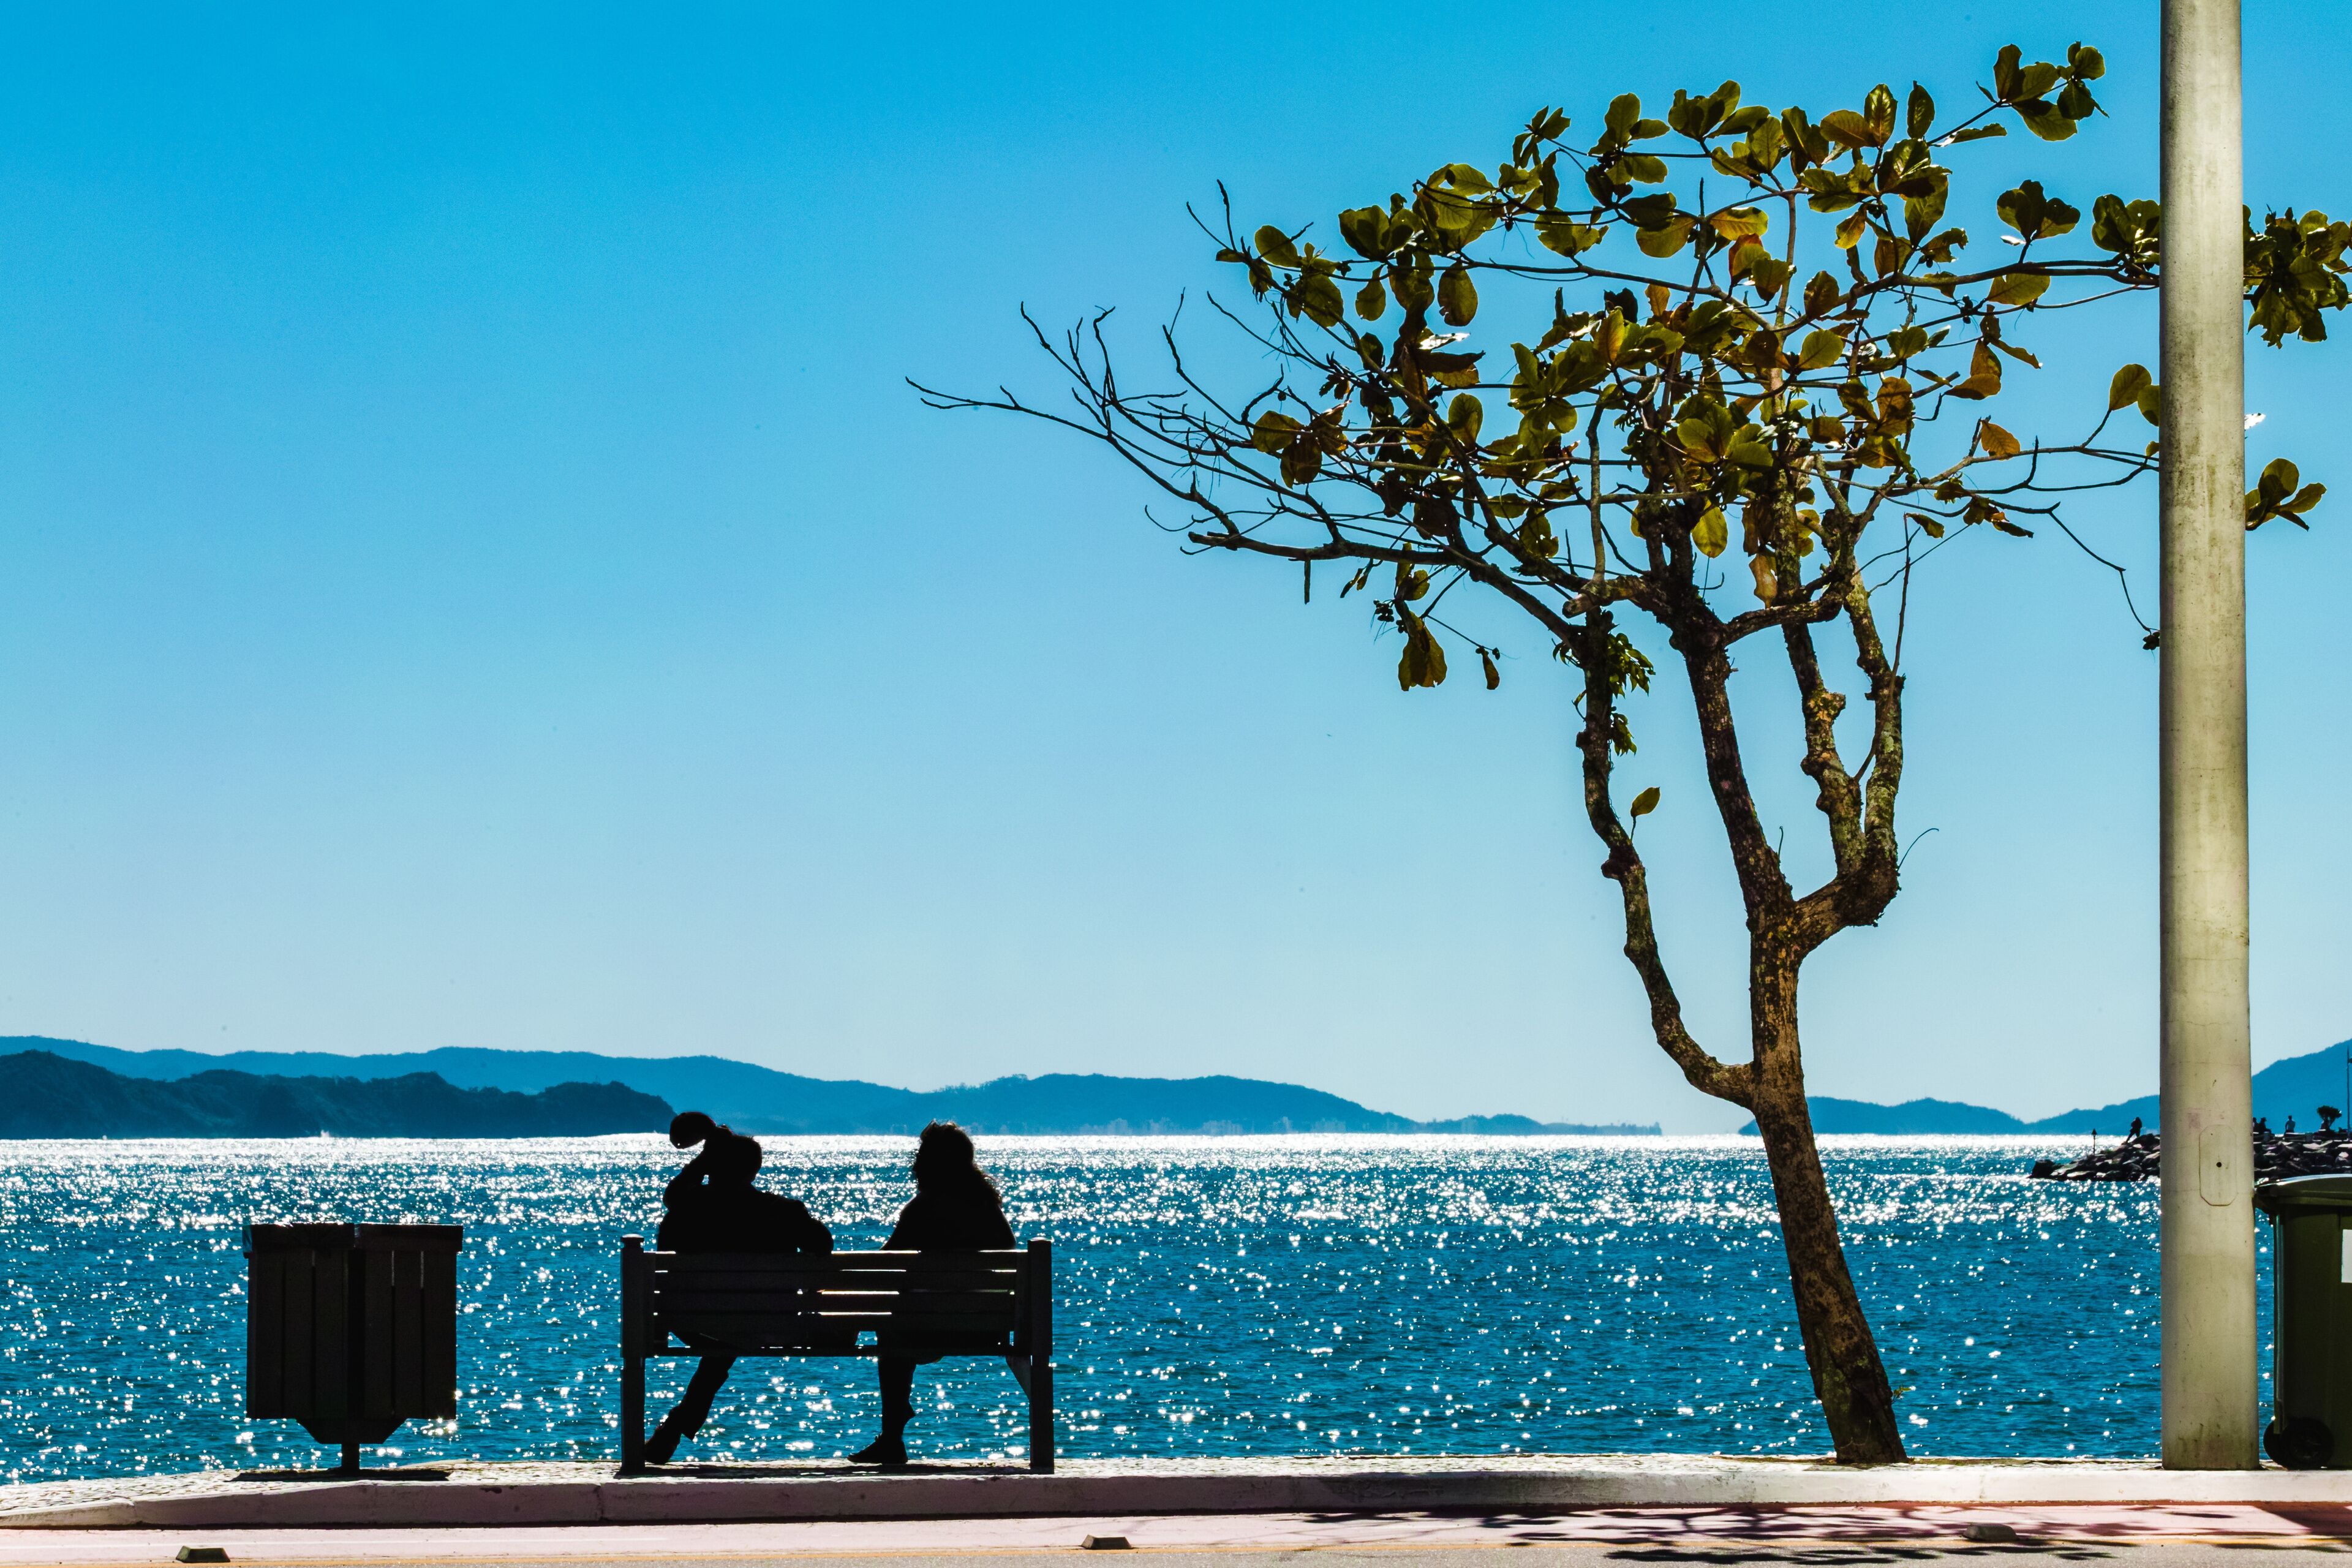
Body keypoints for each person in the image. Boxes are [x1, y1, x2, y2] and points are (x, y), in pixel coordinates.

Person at [643, 1126, 833, 1464]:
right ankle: (677, 1424)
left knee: (724, 1336)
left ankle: (675, 1426)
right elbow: (823, 1245)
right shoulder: (784, 1211)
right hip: (771, 1319)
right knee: (735, 1329)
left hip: (691, 1321)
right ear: (754, 1169)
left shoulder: (687, 1210)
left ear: (711, 1166)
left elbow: (673, 1197)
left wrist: (701, 1160)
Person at [850, 1121, 1016, 1467]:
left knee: (892, 1328)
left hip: (924, 1328)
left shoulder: (922, 1208)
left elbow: (883, 1262)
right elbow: (1008, 1247)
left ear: (928, 1162)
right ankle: (893, 1429)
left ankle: (892, 1436)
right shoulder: (986, 1208)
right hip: (983, 1327)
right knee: (900, 1324)